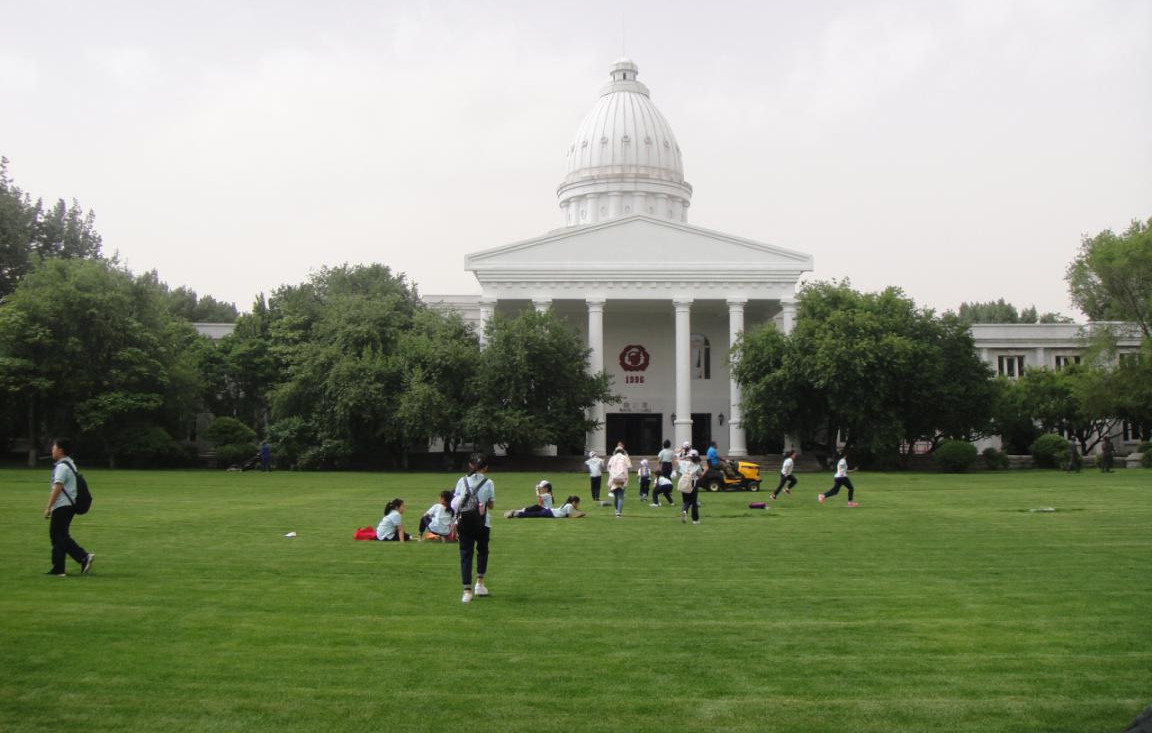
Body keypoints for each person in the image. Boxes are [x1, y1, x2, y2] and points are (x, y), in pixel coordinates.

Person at [43, 438, 94, 577]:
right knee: (61, 536)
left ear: (60, 450)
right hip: (69, 505)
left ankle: (59, 569)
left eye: (53, 448)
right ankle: (82, 558)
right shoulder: (70, 463)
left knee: (57, 536)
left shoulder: (62, 467)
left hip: (62, 505)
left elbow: (57, 487)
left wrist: (49, 507)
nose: (51, 451)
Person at [453, 453, 495, 604]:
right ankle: (480, 583)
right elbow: (491, 505)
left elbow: (455, 502)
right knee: (482, 551)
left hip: (464, 522)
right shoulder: (489, 482)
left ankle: (466, 591)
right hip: (483, 522)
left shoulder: (461, 481)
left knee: (466, 555)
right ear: (486, 468)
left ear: (470, 465)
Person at [677, 449, 704, 524]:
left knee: (686, 501)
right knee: (693, 502)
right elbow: (700, 475)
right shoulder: (697, 466)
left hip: (684, 483)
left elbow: (678, 462)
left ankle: (684, 511)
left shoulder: (684, 463)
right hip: (693, 483)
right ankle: (695, 520)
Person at [505, 495, 586, 519]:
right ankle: (516, 514)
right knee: (534, 514)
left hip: (549, 510)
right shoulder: (569, 506)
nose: (578, 505)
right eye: (578, 503)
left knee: (536, 508)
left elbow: (572, 511)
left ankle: (516, 512)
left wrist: (579, 512)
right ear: (574, 502)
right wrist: (580, 515)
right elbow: (569, 516)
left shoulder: (567, 505)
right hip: (550, 513)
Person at [606, 444, 632, 517]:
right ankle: (619, 512)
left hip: (613, 478)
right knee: (620, 496)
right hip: (623, 478)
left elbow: (608, 468)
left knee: (616, 495)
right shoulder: (625, 457)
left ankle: (617, 510)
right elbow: (629, 467)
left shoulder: (612, 458)